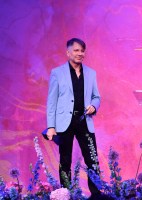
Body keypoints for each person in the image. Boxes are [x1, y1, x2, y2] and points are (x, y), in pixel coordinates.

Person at [46, 38, 102, 199]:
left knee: (92, 159)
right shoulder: (57, 73)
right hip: (64, 123)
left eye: (82, 51)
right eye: (76, 50)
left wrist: (94, 105)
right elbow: (52, 101)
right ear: (68, 52)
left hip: (84, 121)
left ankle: (96, 194)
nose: (80, 54)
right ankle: (65, 194)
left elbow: (96, 97)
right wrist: (51, 126)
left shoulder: (91, 73)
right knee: (65, 160)